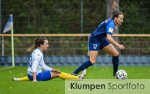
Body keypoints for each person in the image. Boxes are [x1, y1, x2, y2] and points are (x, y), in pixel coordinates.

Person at [72, 10, 125, 76]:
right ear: (116, 18)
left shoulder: (110, 21)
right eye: (121, 18)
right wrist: (118, 45)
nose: (122, 20)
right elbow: (109, 37)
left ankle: (116, 73)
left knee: (116, 54)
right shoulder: (111, 24)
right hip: (95, 39)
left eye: (122, 19)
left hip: (101, 39)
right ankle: (74, 73)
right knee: (92, 61)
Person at [13, 36, 86, 82]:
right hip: (35, 76)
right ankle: (78, 78)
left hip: (30, 75)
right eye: (46, 44)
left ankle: (19, 79)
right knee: (58, 74)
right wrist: (35, 79)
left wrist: (52, 69)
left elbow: (43, 66)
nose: (48, 45)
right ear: (41, 45)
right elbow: (34, 67)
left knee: (55, 72)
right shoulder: (38, 54)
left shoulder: (37, 51)